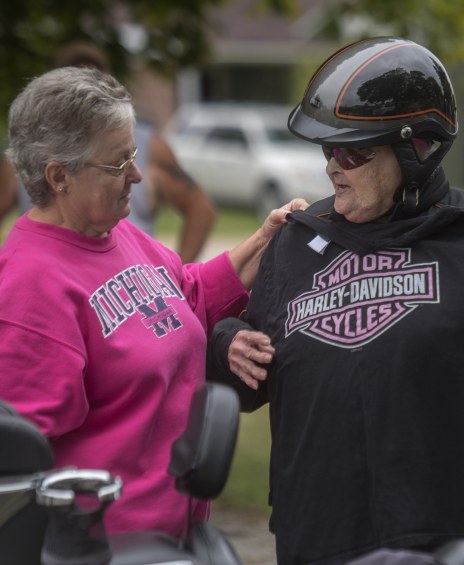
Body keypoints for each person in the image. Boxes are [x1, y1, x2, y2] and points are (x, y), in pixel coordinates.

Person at [206, 37, 464, 565]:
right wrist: (226, 343)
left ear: (417, 148)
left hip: (448, 540)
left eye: (352, 151)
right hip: (318, 535)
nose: (333, 166)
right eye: (328, 150)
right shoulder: (296, 243)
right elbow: (245, 369)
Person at [0, 66, 305, 539]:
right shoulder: (29, 287)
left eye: (133, 155)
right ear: (59, 176)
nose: (138, 175)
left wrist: (266, 238)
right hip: (109, 545)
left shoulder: (118, 234)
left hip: (175, 532)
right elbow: (16, 462)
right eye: (118, 164)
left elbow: (187, 294)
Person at [0, 40, 217, 263]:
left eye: (98, 94)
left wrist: (175, 278)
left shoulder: (151, 146)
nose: (135, 174)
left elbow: (201, 209)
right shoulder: (25, 156)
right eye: (118, 163)